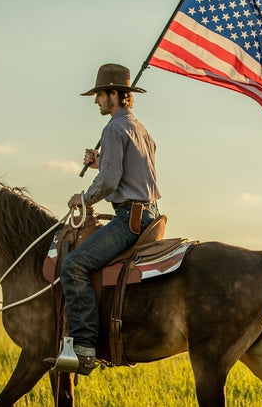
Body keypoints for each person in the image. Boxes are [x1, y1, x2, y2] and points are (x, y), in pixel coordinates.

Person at [52, 63, 161, 375]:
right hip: (149, 212)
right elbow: (129, 174)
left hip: (129, 217)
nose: (96, 101)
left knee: (74, 266)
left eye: (99, 94)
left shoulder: (112, 129)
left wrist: (83, 199)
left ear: (115, 94)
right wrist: (102, 163)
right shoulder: (140, 129)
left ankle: (84, 347)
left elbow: (112, 183)